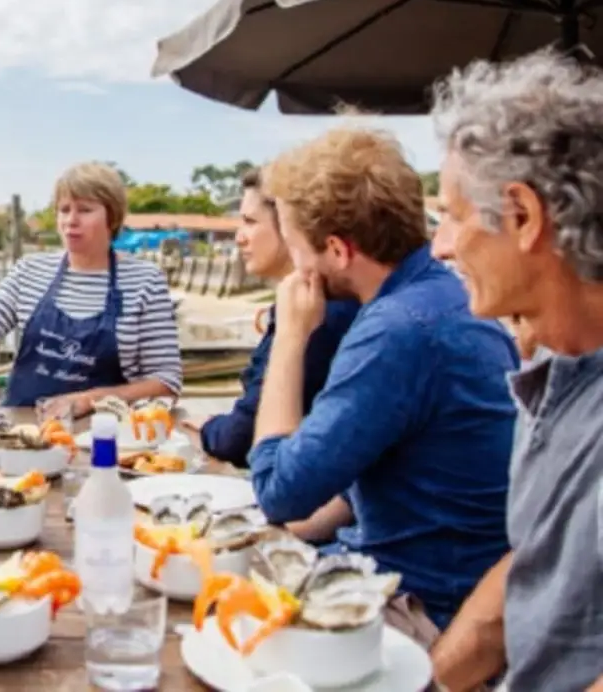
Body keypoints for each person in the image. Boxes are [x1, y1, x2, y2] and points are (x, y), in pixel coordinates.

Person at [249, 126, 518, 632]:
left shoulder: (397, 330)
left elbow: (278, 490)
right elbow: (395, 476)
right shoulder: (443, 298)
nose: (294, 268)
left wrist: (289, 337)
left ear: (336, 250)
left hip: (422, 605)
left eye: (295, 248)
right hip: (443, 575)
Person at [427, 50, 603, 692]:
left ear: (523, 216)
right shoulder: (556, 369)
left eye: (452, 215)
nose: (441, 246)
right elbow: (531, 569)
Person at [0, 161, 182, 414]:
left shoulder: (145, 280)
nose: (71, 220)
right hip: (23, 429)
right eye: (64, 210)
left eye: (85, 210)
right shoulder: (29, 271)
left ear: (112, 216)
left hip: (103, 432)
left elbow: (166, 383)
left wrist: (89, 400)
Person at [181, 168, 358, 467]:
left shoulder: (317, 314)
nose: (239, 237)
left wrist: (209, 428)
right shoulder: (317, 303)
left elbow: (242, 437)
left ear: (290, 227)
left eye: (250, 222)